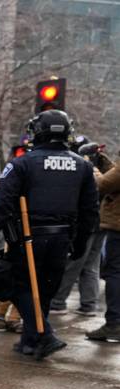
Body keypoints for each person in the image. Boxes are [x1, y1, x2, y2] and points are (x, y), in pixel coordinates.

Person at [0, 110, 98, 359]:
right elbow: (90, 211)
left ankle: (44, 334)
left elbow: (0, 206)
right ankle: (30, 341)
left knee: (16, 286)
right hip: (62, 238)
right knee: (46, 289)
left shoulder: (22, 163)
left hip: (27, 237)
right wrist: (80, 244)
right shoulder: (82, 165)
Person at [50, 142, 105, 317]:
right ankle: (89, 304)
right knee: (91, 266)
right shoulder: (105, 173)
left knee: (74, 262)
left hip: (87, 224)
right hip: (102, 223)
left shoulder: (85, 172)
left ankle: (58, 302)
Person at [85, 145, 120, 341]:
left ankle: (114, 323)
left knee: (114, 273)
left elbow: (103, 185)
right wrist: (103, 160)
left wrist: (92, 168)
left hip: (118, 229)